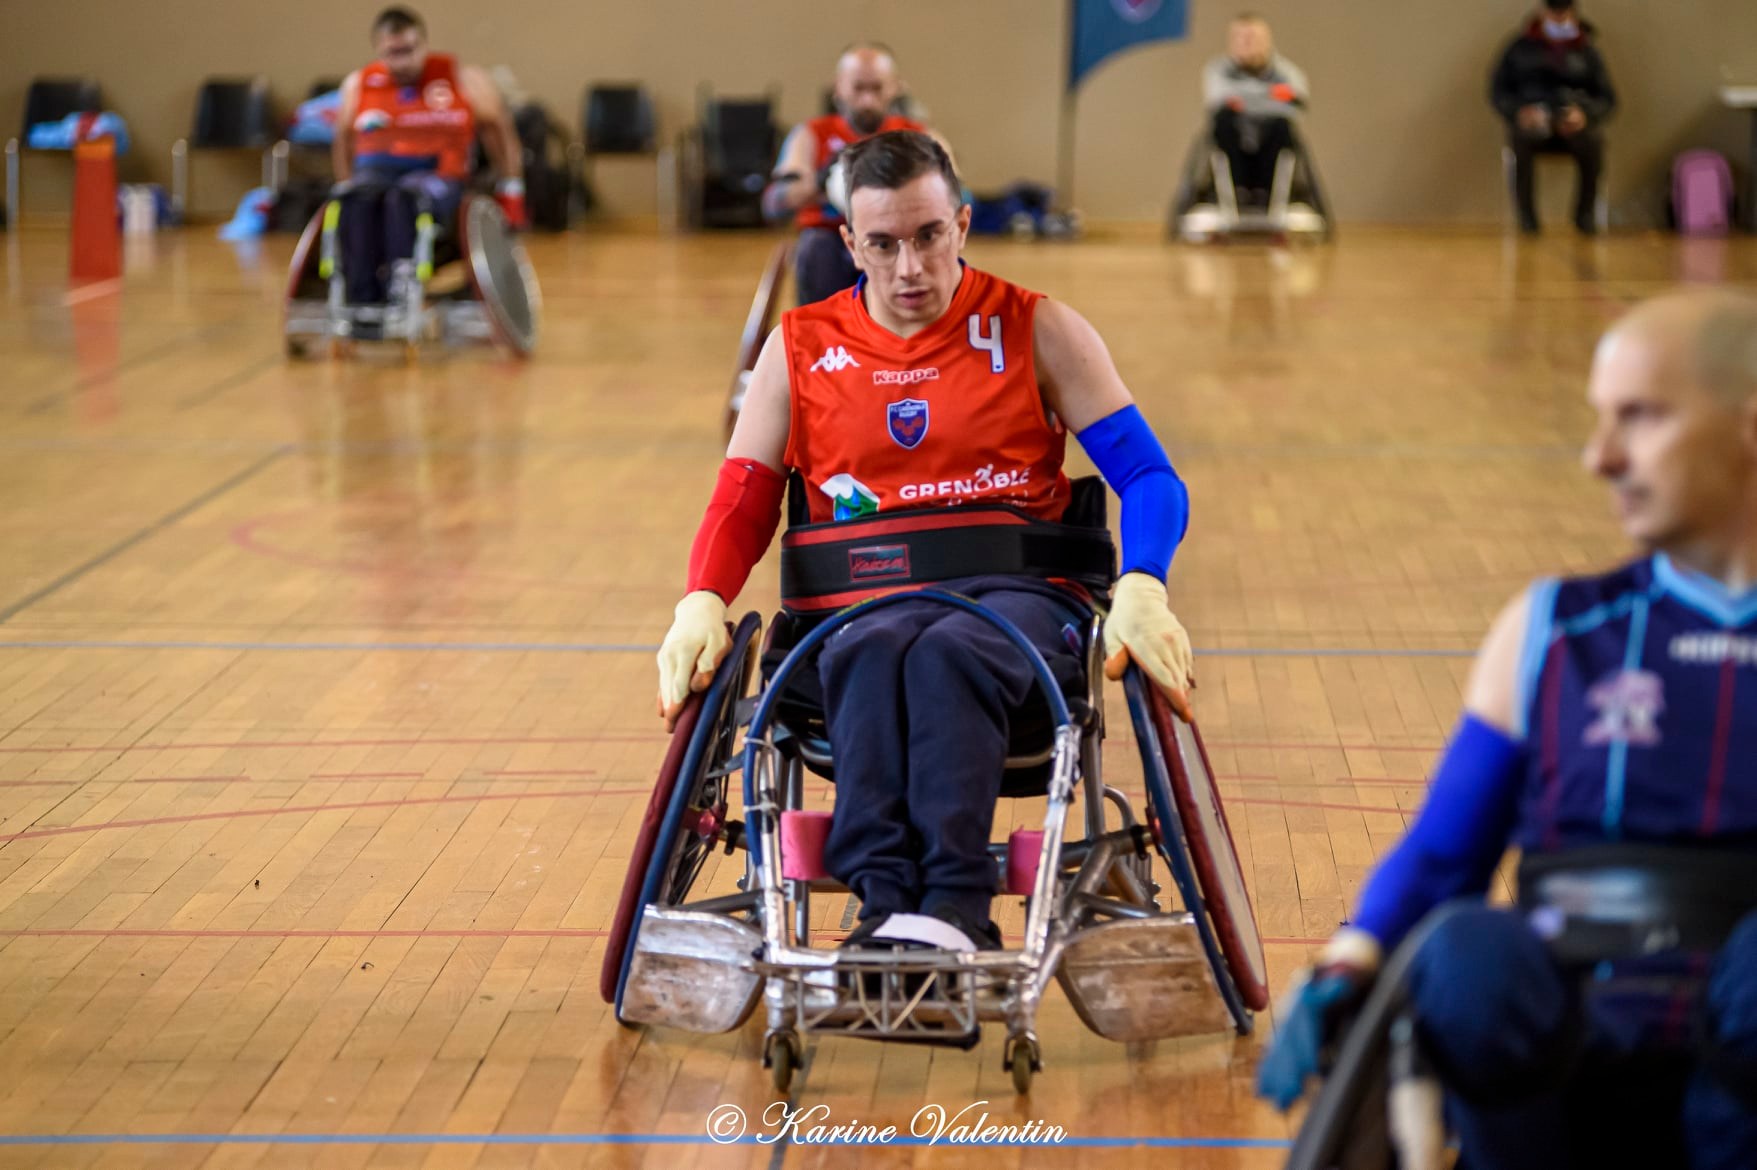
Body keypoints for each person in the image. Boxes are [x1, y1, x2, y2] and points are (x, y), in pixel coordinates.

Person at [658, 130, 1195, 951]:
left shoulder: (1036, 327)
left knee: (947, 648)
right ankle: (886, 911)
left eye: (927, 237)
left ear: (962, 226)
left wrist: (1144, 581)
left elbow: (1149, 478)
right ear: (848, 243)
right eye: (882, 244)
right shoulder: (799, 348)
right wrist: (702, 598)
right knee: (870, 646)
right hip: (865, 600)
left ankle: (949, 907)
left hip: (1019, 599)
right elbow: (743, 496)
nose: (908, 267)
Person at [1258, 289, 1757, 1169]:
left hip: (1743, 1038)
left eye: (1637, 418)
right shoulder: (1550, 629)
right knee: (1464, 951)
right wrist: (1346, 961)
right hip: (1567, 1040)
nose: (1598, 457)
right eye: (1598, 421)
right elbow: (1445, 856)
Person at [331, 6, 525, 307]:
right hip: (377, 169)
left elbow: (498, 128)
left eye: (409, 50)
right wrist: (343, 183)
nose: (403, 61)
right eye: (393, 53)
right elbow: (342, 139)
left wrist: (512, 188)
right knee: (355, 199)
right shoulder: (359, 84)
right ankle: (362, 298)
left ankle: (402, 285)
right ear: (379, 51)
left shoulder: (461, 78)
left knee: (404, 198)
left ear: (423, 44)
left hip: (437, 172)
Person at [763, 44, 940, 306]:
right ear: (839, 88)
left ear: (896, 87)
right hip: (830, 244)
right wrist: (820, 179)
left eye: (877, 88)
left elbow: (959, 198)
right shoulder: (811, 134)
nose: (867, 100)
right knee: (815, 248)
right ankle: (822, 337)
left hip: (896, 241)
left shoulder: (917, 137)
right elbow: (773, 204)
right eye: (858, 88)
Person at [1491, 0, 1617, 235]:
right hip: (1534, 121)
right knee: (1521, 139)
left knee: (1593, 142)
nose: (1558, 17)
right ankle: (1527, 219)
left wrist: (1585, 114)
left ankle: (1584, 216)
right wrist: (1519, 112)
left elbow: (1607, 99)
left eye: (1564, 11)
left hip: (1572, 123)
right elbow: (1498, 91)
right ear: (1542, 12)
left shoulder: (1587, 50)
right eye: (1553, 11)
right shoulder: (1519, 48)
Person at [1202, 13, 1309, 206]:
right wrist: (1273, 95)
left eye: (1252, 38)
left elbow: (1295, 105)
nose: (1246, 43)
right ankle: (1234, 192)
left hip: (1272, 148)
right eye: (1240, 38)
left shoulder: (1288, 72)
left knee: (1282, 125)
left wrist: (1242, 99)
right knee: (1223, 120)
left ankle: (1269, 194)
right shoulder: (1216, 70)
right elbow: (1217, 100)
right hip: (1232, 148)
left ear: (1267, 40)